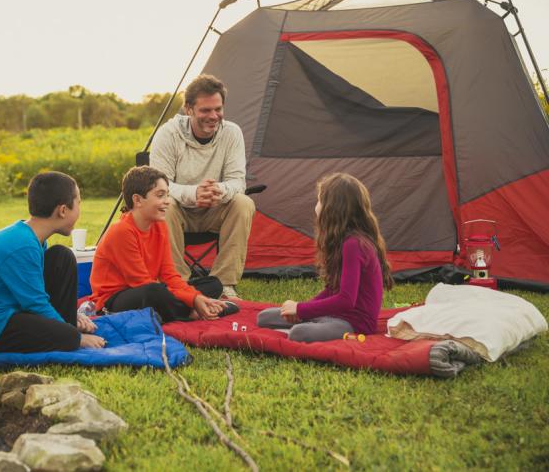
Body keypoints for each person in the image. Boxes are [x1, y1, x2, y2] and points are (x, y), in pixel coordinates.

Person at [0, 171, 105, 354]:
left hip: (13, 311)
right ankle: (67, 332)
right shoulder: (22, 245)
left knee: (62, 256)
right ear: (63, 210)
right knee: (69, 337)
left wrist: (72, 316)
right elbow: (35, 303)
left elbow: (39, 290)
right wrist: (75, 338)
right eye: (78, 203)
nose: (79, 210)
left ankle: (66, 326)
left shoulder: (34, 238)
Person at [150, 74, 255, 298]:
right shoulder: (168, 134)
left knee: (243, 203)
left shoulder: (232, 133)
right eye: (205, 110)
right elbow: (160, 185)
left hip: (214, 209)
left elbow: (238, 181)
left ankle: (224, 283)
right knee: (163, 204)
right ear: (188, 109)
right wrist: (193, 193)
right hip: (178, 211)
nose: (213, 116)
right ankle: (178, 283)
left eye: (218, 109)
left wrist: (219, 191)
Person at [257, 173, 393, 342]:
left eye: (319, 200)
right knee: (264, 317)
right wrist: (301, 310)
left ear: (333, 208)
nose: (316, 206)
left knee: (298, 333)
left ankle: (314, 326)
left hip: (354, 323)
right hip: (334, 315)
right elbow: (331, 290)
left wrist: (300, 310)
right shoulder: (343, 240)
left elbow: (346, 300)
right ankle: (314, 323)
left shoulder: (354, 244)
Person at [89, 166, 233, 323]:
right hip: (113, 301)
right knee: (154, 292)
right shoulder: (122, 231)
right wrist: (193, 299)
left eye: (167, 195)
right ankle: (191, 312)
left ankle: (190, 308)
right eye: (160, 195)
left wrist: (196, 297)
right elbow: (141, 283)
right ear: (137, 200)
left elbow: (169, 275)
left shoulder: (159, 225)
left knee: (213, 284)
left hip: (148, 290)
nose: (168, 201)